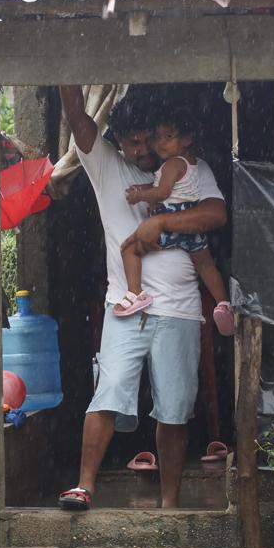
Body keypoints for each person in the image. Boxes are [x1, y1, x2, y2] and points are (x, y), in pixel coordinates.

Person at [56, 86, 227, 511]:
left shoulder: (191, 169)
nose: (142, 149)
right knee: (108, 394)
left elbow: (216, 214)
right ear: (118, 141)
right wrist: (64, 68)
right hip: (125, 309)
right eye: (131, 141)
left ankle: (170, 502)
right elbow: (78, 118)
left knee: (173, 411)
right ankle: (84, 487)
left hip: (182, 311)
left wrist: (162, 221)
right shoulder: (107, 167)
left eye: (148, 139)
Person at [117, 108, 234, 336]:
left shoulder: (172, 165)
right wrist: (144, 188)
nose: (159, 144)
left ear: (187, 139)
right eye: (157, 137)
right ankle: (224, 304)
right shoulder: (188, 164)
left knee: (129, 248)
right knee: (206, 265)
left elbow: (162, 193)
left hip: (173, 220)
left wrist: (141, 197)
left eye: (167, 137)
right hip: (192, 228)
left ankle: (134, 294)